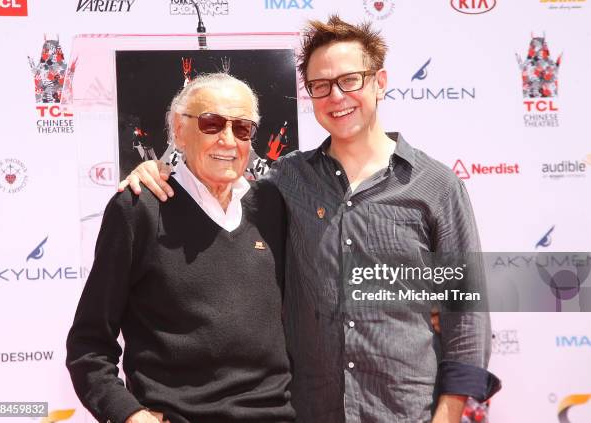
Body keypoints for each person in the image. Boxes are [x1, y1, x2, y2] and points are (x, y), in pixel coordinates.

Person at [120, 16, 500, 423]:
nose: (336, 96)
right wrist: (153, 171)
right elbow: (214, 176)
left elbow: (467, 315)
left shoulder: (437, 187)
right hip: (308, 411)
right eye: (321, 86)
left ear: (380, 82)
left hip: (405, 411)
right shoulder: (284, 180)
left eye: (350, 80)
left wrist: (447, 415)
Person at [66, 73, 295, 423]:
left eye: (242, 129)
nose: (228, 140)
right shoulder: (139, 208)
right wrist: (128, 414)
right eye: (212, 123)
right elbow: (88, 344)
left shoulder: (272, 206)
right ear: (180, 128)